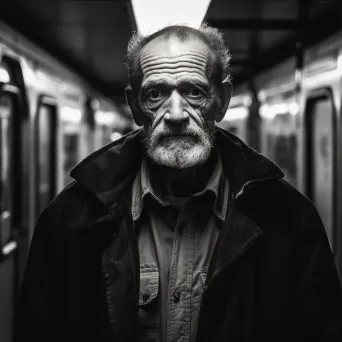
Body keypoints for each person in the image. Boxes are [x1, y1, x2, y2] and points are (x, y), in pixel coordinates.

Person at [16, 24, 342, 342]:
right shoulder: (71, 219)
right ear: (134, 106)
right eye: (155, 94)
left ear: (222, 100)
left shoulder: (288, 219)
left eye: (193, 91)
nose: (175, 114)